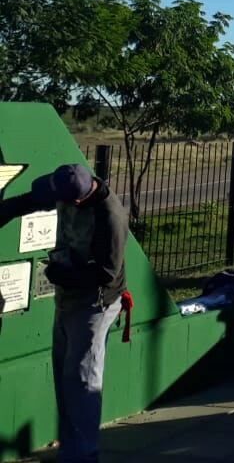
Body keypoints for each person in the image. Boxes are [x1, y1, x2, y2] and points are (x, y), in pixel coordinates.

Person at [0, 162, 128, 463]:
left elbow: (106, 273)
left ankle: (82, 455)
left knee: (83, 380)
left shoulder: (110, 216)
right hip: (68, 296)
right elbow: (26, 202)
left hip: (95, 305)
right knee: (64, 375)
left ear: (79, 199)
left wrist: (61, 275)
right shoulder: (66, 186)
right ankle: (71, 449)